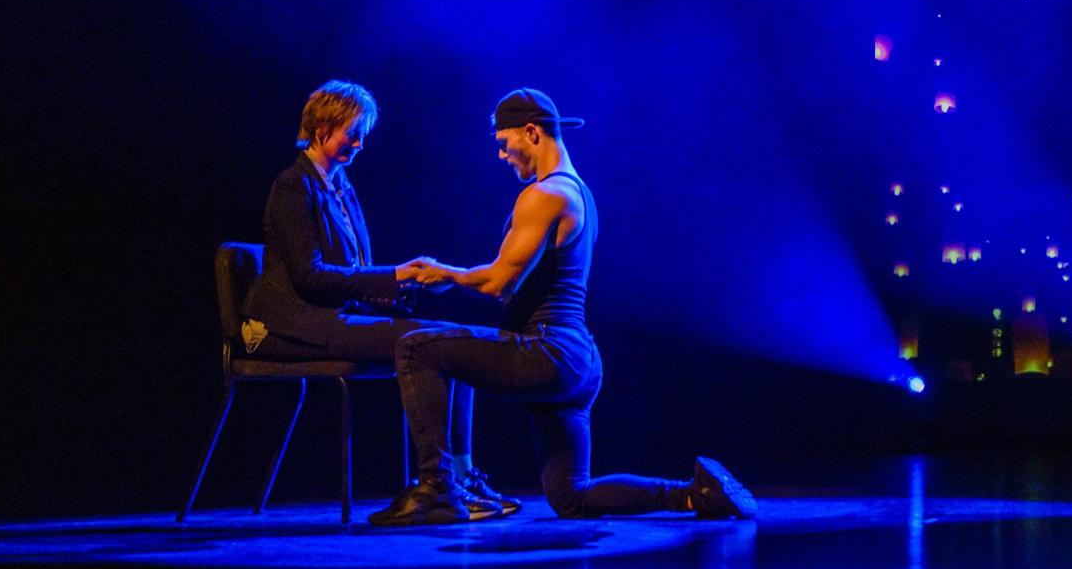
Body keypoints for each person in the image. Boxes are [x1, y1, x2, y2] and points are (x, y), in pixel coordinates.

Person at [369, 88, 755, 526]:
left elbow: (500, 281)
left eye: (503, 143)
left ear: (531, 133)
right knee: (571, 497)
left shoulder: (544, 195)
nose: (501, 155)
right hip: (579, 361)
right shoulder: (581, 193)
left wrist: (446, 273)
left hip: (548, 352)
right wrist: (455, 277)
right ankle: (695, 495)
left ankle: (439, 488)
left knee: (417, 348)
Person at [242, 79, 517, 518]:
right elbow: (311, 278)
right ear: (321, 128)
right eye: (352, 131)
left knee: (451, 338)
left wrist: (404, 287)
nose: (359, 142)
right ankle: (438, 484)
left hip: (336, 317)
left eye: (362, 133)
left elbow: (352, 275)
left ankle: (459, 477)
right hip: (295, 325)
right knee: (428, 345)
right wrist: (392, 274)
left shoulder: (342, 187)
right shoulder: (292, 187)